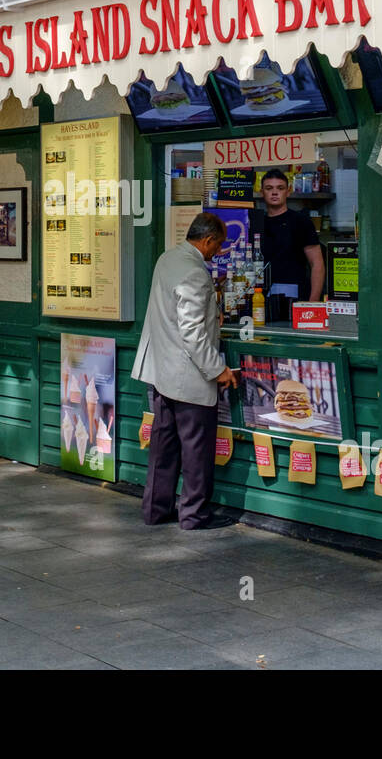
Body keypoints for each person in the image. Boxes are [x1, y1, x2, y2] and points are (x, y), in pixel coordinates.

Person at [132, 212, 238, 531]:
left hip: (161, 374)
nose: (217, 252)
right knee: (196, 450)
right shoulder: (194, 272)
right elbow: (192, 332)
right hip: (187, 376)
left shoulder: (167, 259)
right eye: (217, 245)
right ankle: (194, 515)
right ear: (206, 241)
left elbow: (172, 314)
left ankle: (155, 508)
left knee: (163, 447)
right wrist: (218, 370)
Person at [258, 168, 325, 303]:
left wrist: (313, 302)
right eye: (269, 188)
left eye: (280, 188)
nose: (275, 192)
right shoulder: (256, 223)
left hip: (295, 296)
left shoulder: (301, 222)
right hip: (260, 297)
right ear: (262, 193)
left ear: (288, 191)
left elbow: (317, 263)